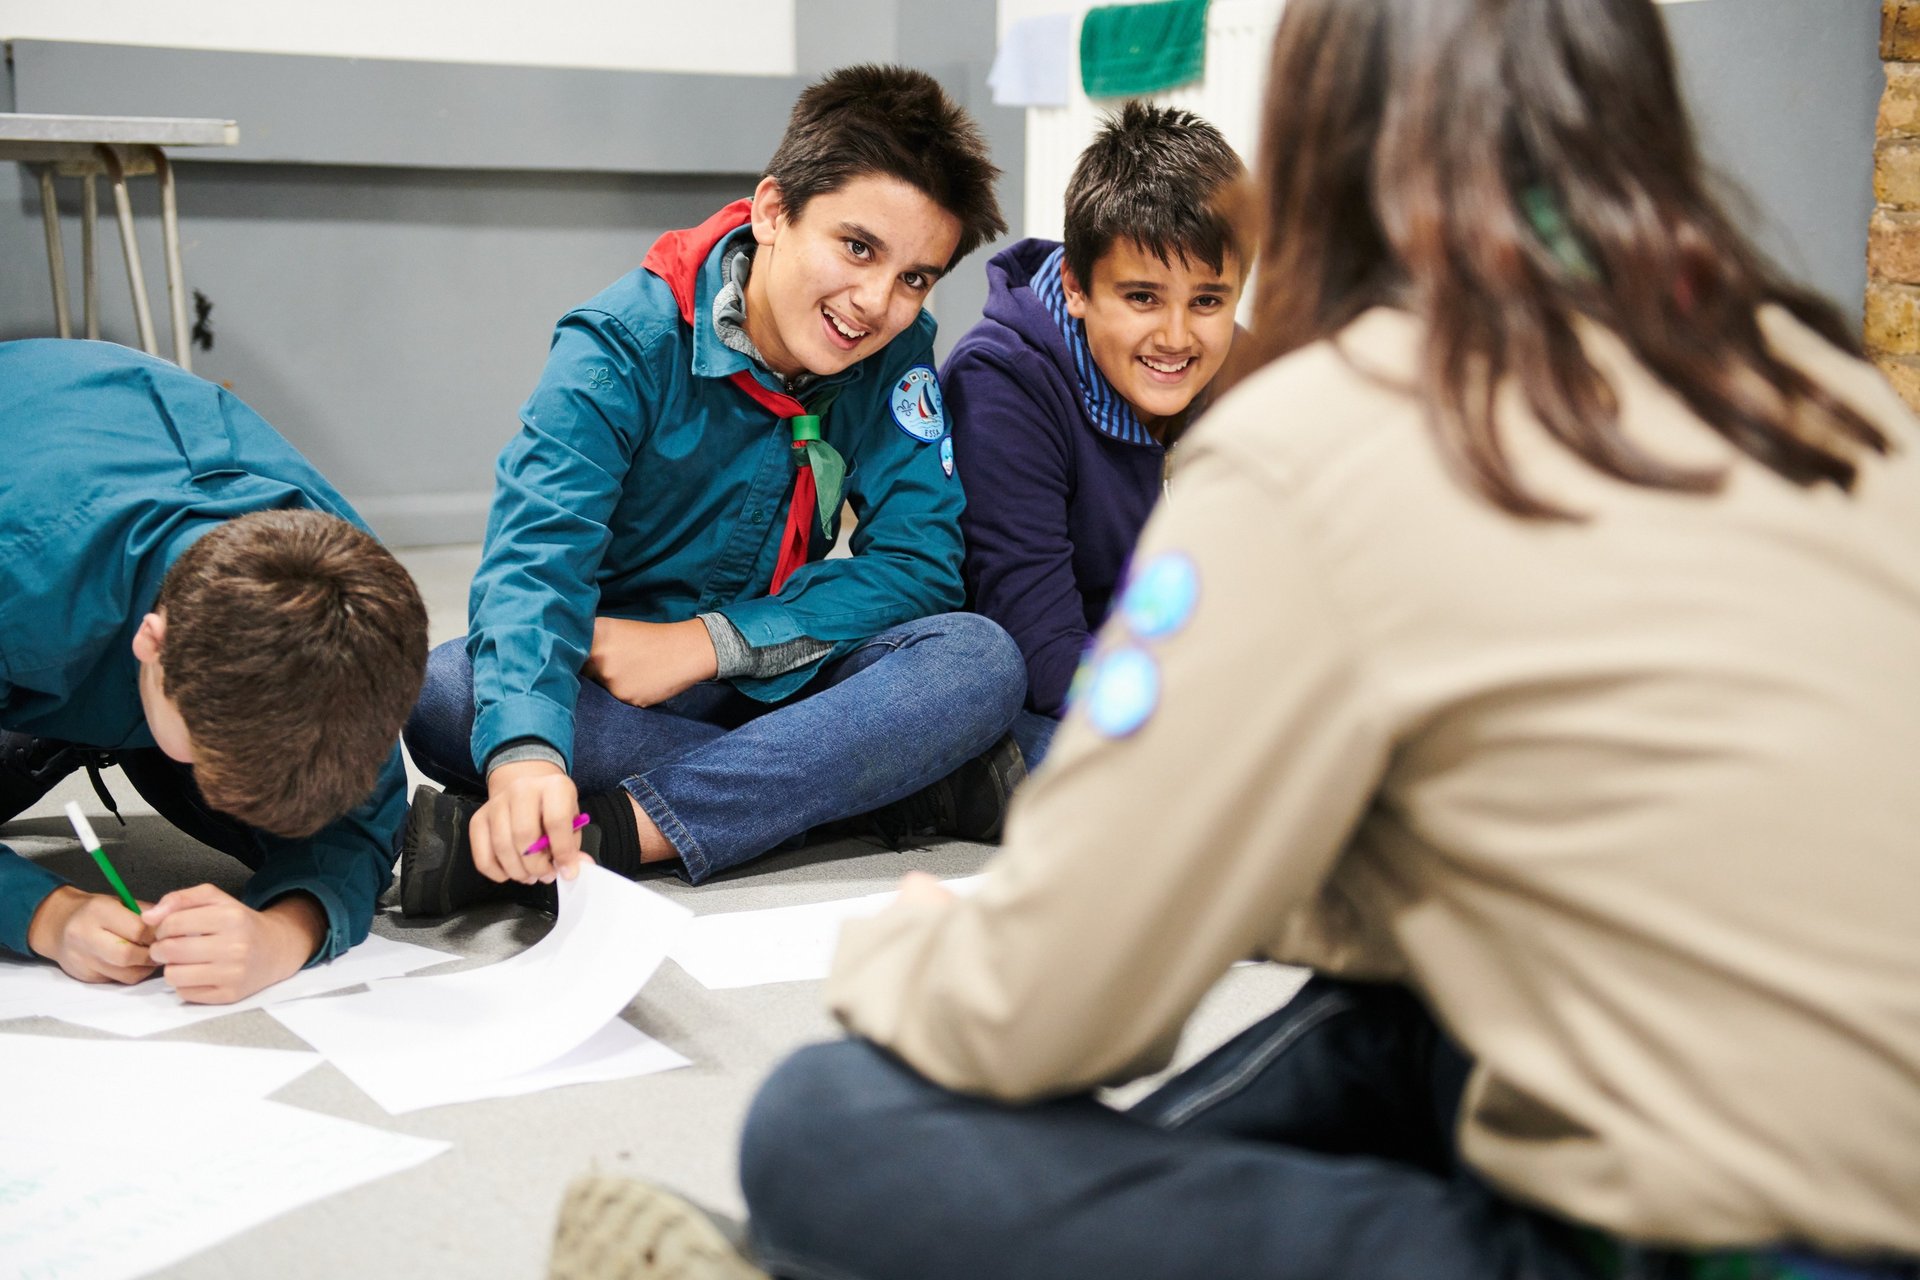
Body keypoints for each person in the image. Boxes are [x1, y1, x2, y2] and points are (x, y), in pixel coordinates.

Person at [562, 0, 1919, 1275]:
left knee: (826, 1122)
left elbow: (1059, 1004)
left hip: (1704, 1237)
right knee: (1395, 1014)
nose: (1179, 330)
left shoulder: (1329, 421)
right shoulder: (1834, 400)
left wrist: (912, 948)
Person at [399, 64, 1025, 917]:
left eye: (917, 276)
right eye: (857, 246)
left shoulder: (893, 350)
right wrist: (527, 761)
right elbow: (532, 573)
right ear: (772, 212)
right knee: (449, 696)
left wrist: (709, 643)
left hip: (770, 669)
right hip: (612, 690)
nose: (876, 302)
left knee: (977, 658)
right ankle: (887, 788)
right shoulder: (616, 350)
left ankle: (615, 833)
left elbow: (920, 564)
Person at [0, 339, 428, 1005]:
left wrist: (284, 932)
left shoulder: (349, 608)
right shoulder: (20, 578)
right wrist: (45, 915)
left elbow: (365, 814)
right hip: (36, 552)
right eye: (204, 758)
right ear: (154, 641)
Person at [945, 102, 1246, 769]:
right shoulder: (1001, 384)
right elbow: (1048, 658)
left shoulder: (1245, 377)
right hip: (1049, 685)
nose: (1176, 337)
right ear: (1078, 289)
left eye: (1208, 301)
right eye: (1142, 298)